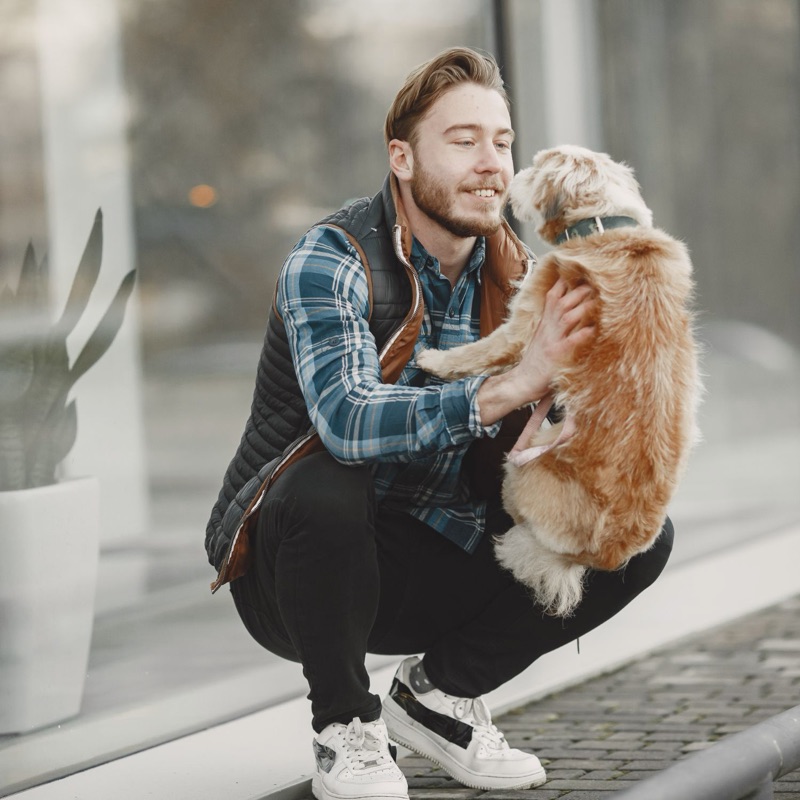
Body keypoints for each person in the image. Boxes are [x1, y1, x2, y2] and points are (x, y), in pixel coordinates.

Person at [205, 46, 674, 800]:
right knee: (330, 484)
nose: (492, 163)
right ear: (402, 157)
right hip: (299, 574)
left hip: (431, 551)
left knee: (632, 531)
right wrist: (511, 383)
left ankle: (440, 699)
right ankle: (345, 728)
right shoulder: (333, 257)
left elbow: (573, 417)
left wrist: (554, 433)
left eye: (502, 141)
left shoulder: (524, 274)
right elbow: (348, 422)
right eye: (463, 141)